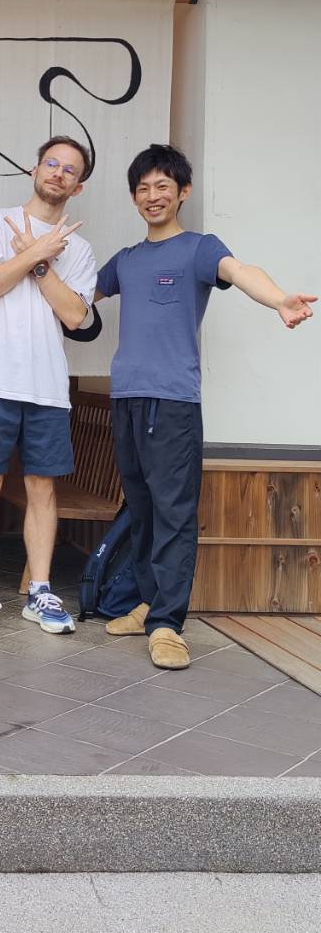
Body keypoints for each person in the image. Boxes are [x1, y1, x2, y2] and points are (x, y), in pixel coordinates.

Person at [95, 143, 315, 670]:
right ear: (134, 197)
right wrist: (33, 264)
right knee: (142, 508)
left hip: (172, 403)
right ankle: (149, 603)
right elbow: (79, 300)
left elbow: (241, 271)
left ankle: (168, 625)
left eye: (162, 186)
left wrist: (279, 299)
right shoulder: (126, 260)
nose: (152, 196)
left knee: (174, 514)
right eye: (143, 188)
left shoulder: (198, 248)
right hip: (125, 398)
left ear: (183, 192)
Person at [0, 136, 97, 637]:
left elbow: (75, 315)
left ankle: (39, 591)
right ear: (33, 170)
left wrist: (39, 263)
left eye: (69, 170)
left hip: (47, 385)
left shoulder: (80, 249)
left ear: (78, 187)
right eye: (51, 163)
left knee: (42, 487)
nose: (58, 172)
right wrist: (34, 251)